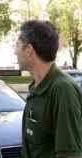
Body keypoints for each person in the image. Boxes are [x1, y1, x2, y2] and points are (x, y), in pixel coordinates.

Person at [14, 20, 82, 158]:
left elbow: (70, 155)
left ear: (29, 50)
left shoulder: (63, 89)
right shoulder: (36, 88)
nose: (14, 52)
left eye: (16, 45)